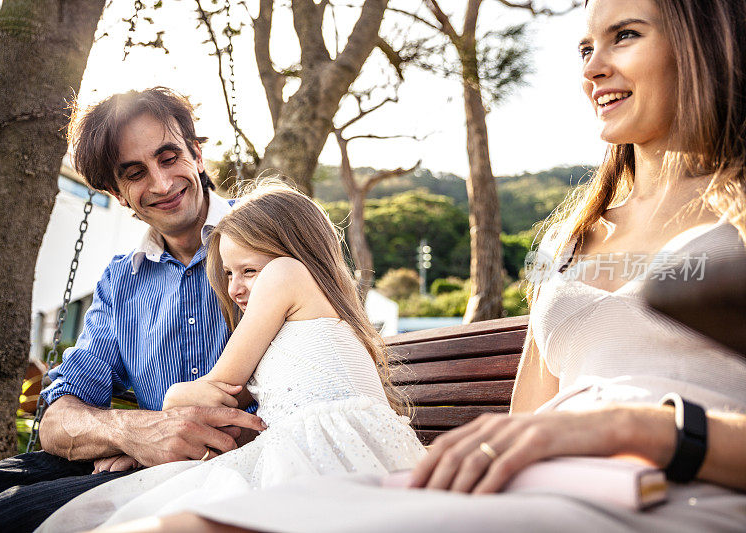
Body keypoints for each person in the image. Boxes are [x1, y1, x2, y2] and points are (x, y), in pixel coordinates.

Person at [63, 0, 746, 530]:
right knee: (181, 522)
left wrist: (639, 425)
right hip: (552, 481)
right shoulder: (574, 232)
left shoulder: (736, 211)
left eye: (625, 36)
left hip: (675, 489)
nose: (592, 67)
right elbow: (523, 419)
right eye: (585, 47)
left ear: (700, 41)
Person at [0, 88, 266, 533]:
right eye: (135, 174)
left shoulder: (268, 235)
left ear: (196, 153)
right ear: (117, 194)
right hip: (142, 463)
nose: (160, 183)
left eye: (169, 157)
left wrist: (150, 441)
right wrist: (130, 433)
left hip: (234, 471)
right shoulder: (121, 281)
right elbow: (57, 418)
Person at [35, 182, 426, 532]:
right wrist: (137, 443)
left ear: (294, 252)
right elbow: (223, 406)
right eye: (227, 273)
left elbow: (217, 386)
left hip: (319, 453)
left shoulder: (286, 274)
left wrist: (170, 401)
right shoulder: (307, 308)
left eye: (248, 270)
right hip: (335, 449)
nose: (235, 288)